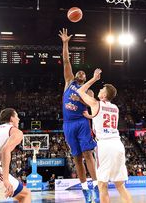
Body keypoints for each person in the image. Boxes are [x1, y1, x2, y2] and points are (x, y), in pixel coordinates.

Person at [77, 68, 133, 203]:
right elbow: (103, 118)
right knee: (120, 185)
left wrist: (94, 79)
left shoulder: (96, 103)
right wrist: (90, 116)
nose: (99, 91)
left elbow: (80, 91)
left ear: (104, 95)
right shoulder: (115, 108)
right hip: (118, 145)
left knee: (102, 185)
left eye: (101, 90)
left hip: (105, 146)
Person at [59, 28, 99, 203]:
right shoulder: (69, 82)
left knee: (87, 154)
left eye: (84, 73)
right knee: (76, 157)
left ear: (86, 77)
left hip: (81, 122)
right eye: (79, 72)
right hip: (68, 123)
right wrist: (66, 43)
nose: (80, 73)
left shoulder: (88, 90)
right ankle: (84, 190)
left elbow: (92, 105)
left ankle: (96, 186)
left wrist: (81, 99)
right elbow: (66, 60)